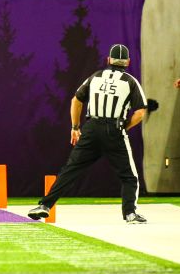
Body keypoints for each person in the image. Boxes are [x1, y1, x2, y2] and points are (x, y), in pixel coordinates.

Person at [29, 44, 155, 224]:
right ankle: (130, 213)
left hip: (91, 128)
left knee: (70, 170)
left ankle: (45, 205)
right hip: (114, 129)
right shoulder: (130, 81)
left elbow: (76, 100)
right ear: (127, 62)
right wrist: (124, 127)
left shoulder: (95, 77)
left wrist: (75, 127)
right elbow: (141, 111)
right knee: (129, 176)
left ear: (108, 60)